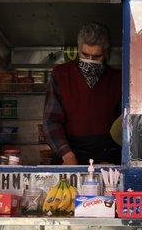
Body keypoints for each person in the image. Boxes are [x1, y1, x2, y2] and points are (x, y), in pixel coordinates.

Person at [43, 22, 122, 165]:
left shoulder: (118, 79)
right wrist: (66, 154)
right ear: (78, 50)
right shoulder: (60, 75)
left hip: (107, 154)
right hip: (70, 151)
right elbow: (51, 121)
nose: (90, 61)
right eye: (85, 55)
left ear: (105, 53)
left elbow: (124, 124)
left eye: (96, 56)